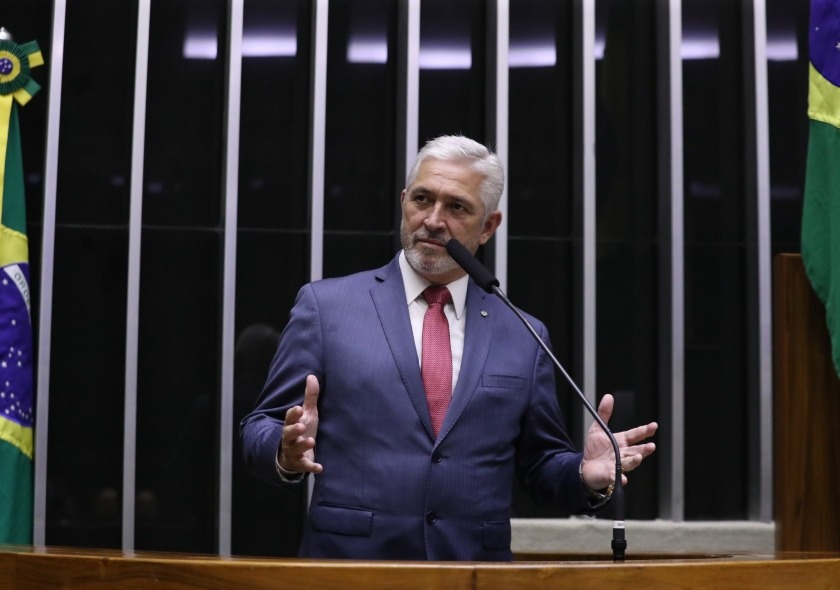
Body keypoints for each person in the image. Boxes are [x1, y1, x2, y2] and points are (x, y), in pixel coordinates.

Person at [240, 135, 657, 561]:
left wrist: (584, 475)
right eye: (422, 199)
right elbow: (261, 424)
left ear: (488, 226)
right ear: (403, 202)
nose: (434, 220)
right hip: (351, 567)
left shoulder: (523, 333)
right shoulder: (327, 307)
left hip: (473, 570)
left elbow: (539, 466)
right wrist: (285, 450)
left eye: (457, 207)